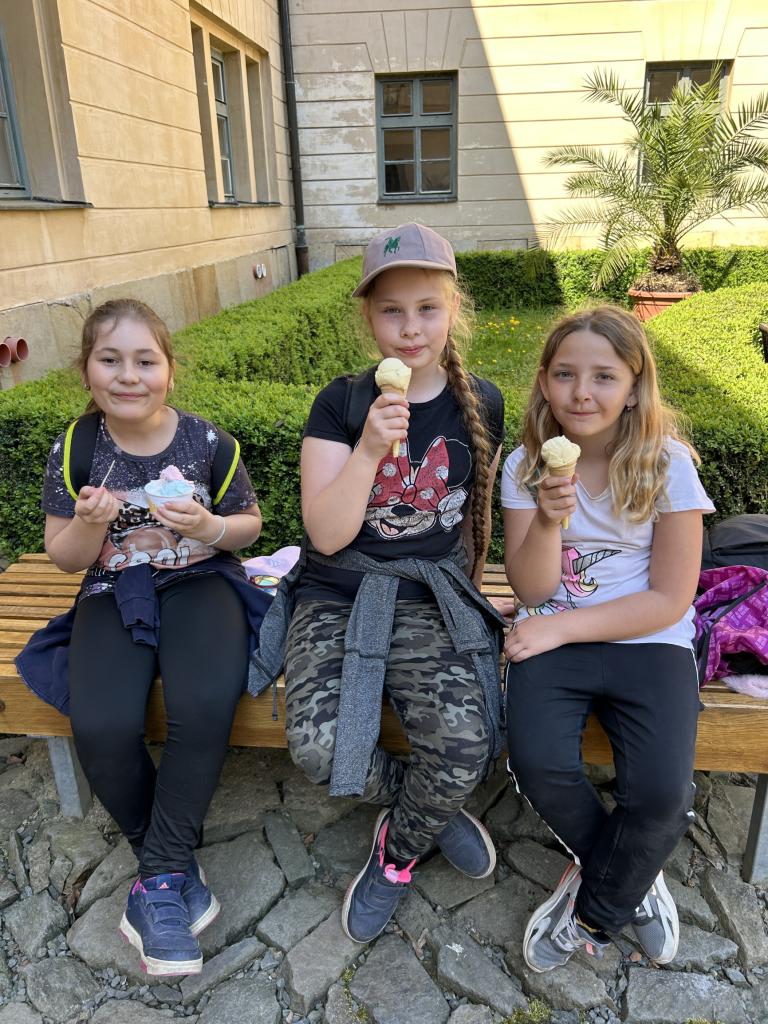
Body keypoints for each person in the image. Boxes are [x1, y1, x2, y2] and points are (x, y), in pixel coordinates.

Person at [16, 299, 270, 977]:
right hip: (112, 591)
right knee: (101, 723)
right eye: (110, 359)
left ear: (169, 370)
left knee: (204, 704)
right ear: (86, 371)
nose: (129, 376)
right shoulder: (76, 449)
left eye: (145, 360)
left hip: (202, 582)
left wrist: (209, 528)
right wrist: (90, 524)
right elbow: (65, 558)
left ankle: (157, 879)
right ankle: (172, 863)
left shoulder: (208, 444)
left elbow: (249, 523)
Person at [280, 222, 513, 943]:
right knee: (319, 748)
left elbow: (472, 519)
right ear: (368, 319)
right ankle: (429, 806)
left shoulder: (484, 402)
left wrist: (474, 595)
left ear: (453, 310)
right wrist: (369, 450)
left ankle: (399, 849)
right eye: (391, 311)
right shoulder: (340, 403)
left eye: (427, 308)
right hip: (336, 593)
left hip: (427, 596)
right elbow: (325, 535)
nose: (410, 328)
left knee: (467, 747)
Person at [500, 305, 714, 972]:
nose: (582, 393)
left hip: (647, 641)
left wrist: (558, 626)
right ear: (544, 381)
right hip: (554, 643)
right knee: (538, 764)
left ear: (634, 385)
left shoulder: (667, 465)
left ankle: (595, 910)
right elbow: (531, 587)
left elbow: (670, 598)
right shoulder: (525, 466)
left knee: (661, 797)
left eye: (603, 376)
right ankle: (633, 875)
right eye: (565, 374)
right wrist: (547, 519)